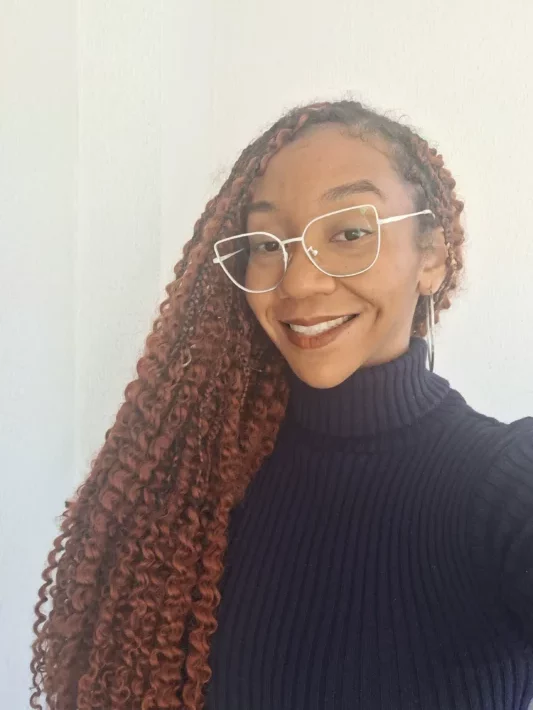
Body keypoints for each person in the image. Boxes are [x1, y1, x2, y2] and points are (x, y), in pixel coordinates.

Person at [31, 100, 533, 710]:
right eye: (267, 243)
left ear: (432, 254)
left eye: (349, 233)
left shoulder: (509, 484)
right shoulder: (189, 491)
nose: (297, 282)